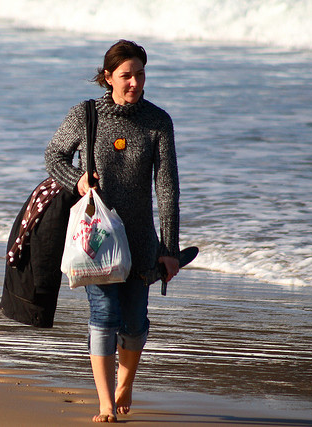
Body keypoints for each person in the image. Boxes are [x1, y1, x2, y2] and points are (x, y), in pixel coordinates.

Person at [45, 40, 180, 423]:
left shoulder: (158, 121)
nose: (134, 82)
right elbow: (53, 155)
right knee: (104, 313)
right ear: (108, 78)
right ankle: (105, 402)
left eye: (140, 74)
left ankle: (126, 381)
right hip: (96, 235)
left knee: (135, 321)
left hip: (139, 237)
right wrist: (78, 180)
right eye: (126, 76)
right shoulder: (85, 115)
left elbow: (167, 187)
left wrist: (169, 247)